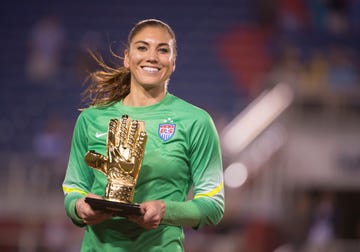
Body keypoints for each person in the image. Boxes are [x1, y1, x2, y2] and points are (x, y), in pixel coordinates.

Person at [62, 19, 225, 251]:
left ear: (173, 62)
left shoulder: (196, 122)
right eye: (142, 47)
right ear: (127, 58)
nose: (152, 56)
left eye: (163, 50)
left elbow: (213, 204)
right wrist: (79, 207)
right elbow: (74, 186)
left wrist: (166, 210)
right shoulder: (91, 119)